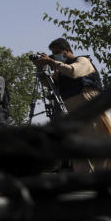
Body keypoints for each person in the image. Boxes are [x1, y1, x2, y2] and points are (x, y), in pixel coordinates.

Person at [34, 38, 111, 172]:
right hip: (72, 112)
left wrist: (52, 62)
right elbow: (49, 83)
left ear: (67, 50)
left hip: (90, 108)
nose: (55, 55)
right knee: (77, 150)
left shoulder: (82, 61)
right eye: (53, 53)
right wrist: (41, 70)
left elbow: (73, 72)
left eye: (57, 52)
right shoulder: (60, 71)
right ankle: (83, 181)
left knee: (97, 145)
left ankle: (102, 179)